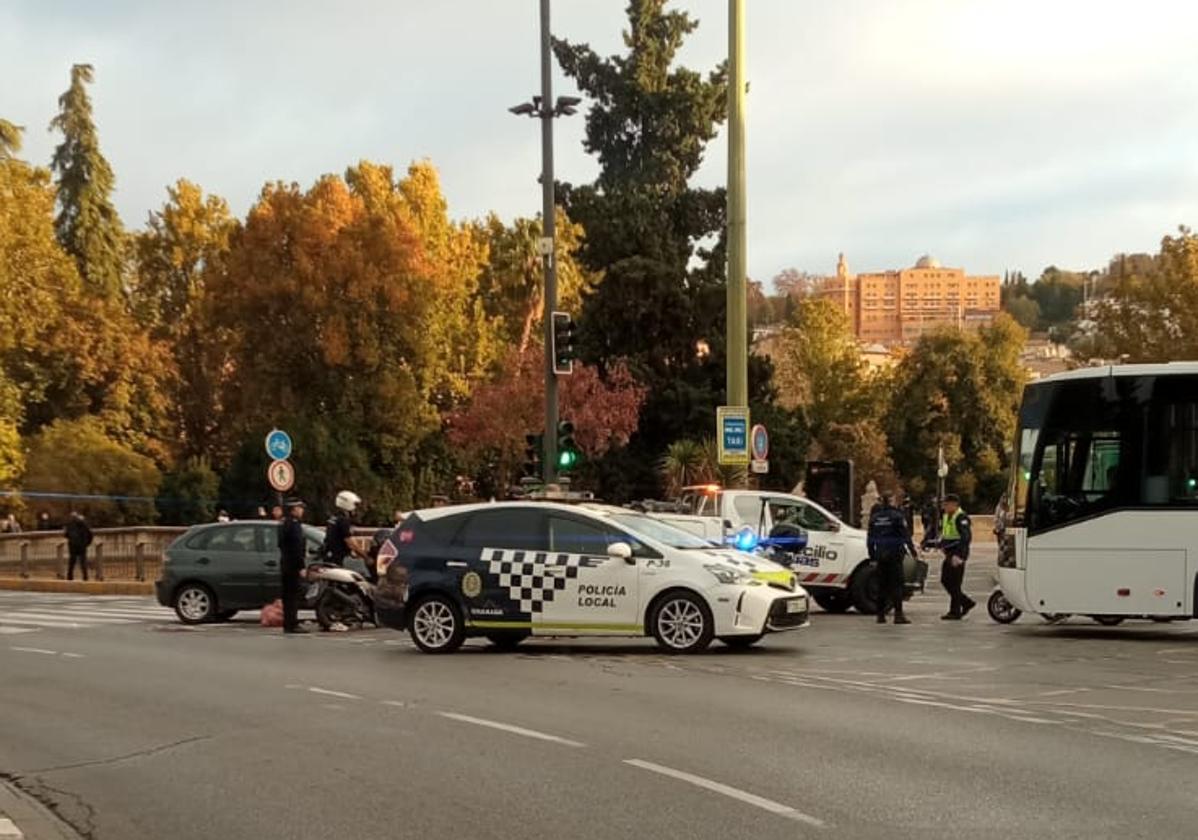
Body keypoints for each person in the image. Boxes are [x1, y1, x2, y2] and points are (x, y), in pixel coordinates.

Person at [922, 494, 974, 620]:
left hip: (957, 553)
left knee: (954, 582)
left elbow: (966, 538)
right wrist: (929, 543)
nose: (943, 506)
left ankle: (957, 609)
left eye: (946, 504)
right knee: (947, 580)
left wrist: (959, 555)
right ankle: (963, 604)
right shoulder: (946, 516)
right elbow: (946, 535)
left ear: (954, 504)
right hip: (949, 552)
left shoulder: (961, 517)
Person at [867, 492, 916, 625]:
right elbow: (905, 536)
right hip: (894, 554)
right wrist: (913, 551)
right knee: (897, 585)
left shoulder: (875, 518)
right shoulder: (897, 516)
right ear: (892, 501)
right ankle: (898, 615)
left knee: (882, 585)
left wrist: (872, 556)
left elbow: (870, 539)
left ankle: (880, 615)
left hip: (880, 554)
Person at [278, 499, 308, 634]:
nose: (302, 510)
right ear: (293, 509)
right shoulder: (294, 524)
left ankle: (288, 623)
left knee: (287, 595)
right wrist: (301, 566)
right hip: (293, 564)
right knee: (293, 595)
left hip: (285, 562)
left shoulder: (284, 523)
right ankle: (292, 624)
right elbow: (297, 547)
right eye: (299, 508)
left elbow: (280, 543)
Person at [324, 490, 362, 567]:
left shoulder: (333, 518)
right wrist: (365, 556)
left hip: (330, 556)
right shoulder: (343, 520)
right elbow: (350, 543)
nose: (355, 508)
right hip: (339, 558)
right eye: (355, 505)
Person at [64, 511, 93, 581]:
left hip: (73, 546)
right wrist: (87, 543)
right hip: (82, 546)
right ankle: (85, 576)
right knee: (83, 561)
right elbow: (90, 534)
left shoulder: (69, 525)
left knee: (72, 562)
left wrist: (71, 540)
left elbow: (66, 535)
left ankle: (70, 576)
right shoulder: (84, 524)